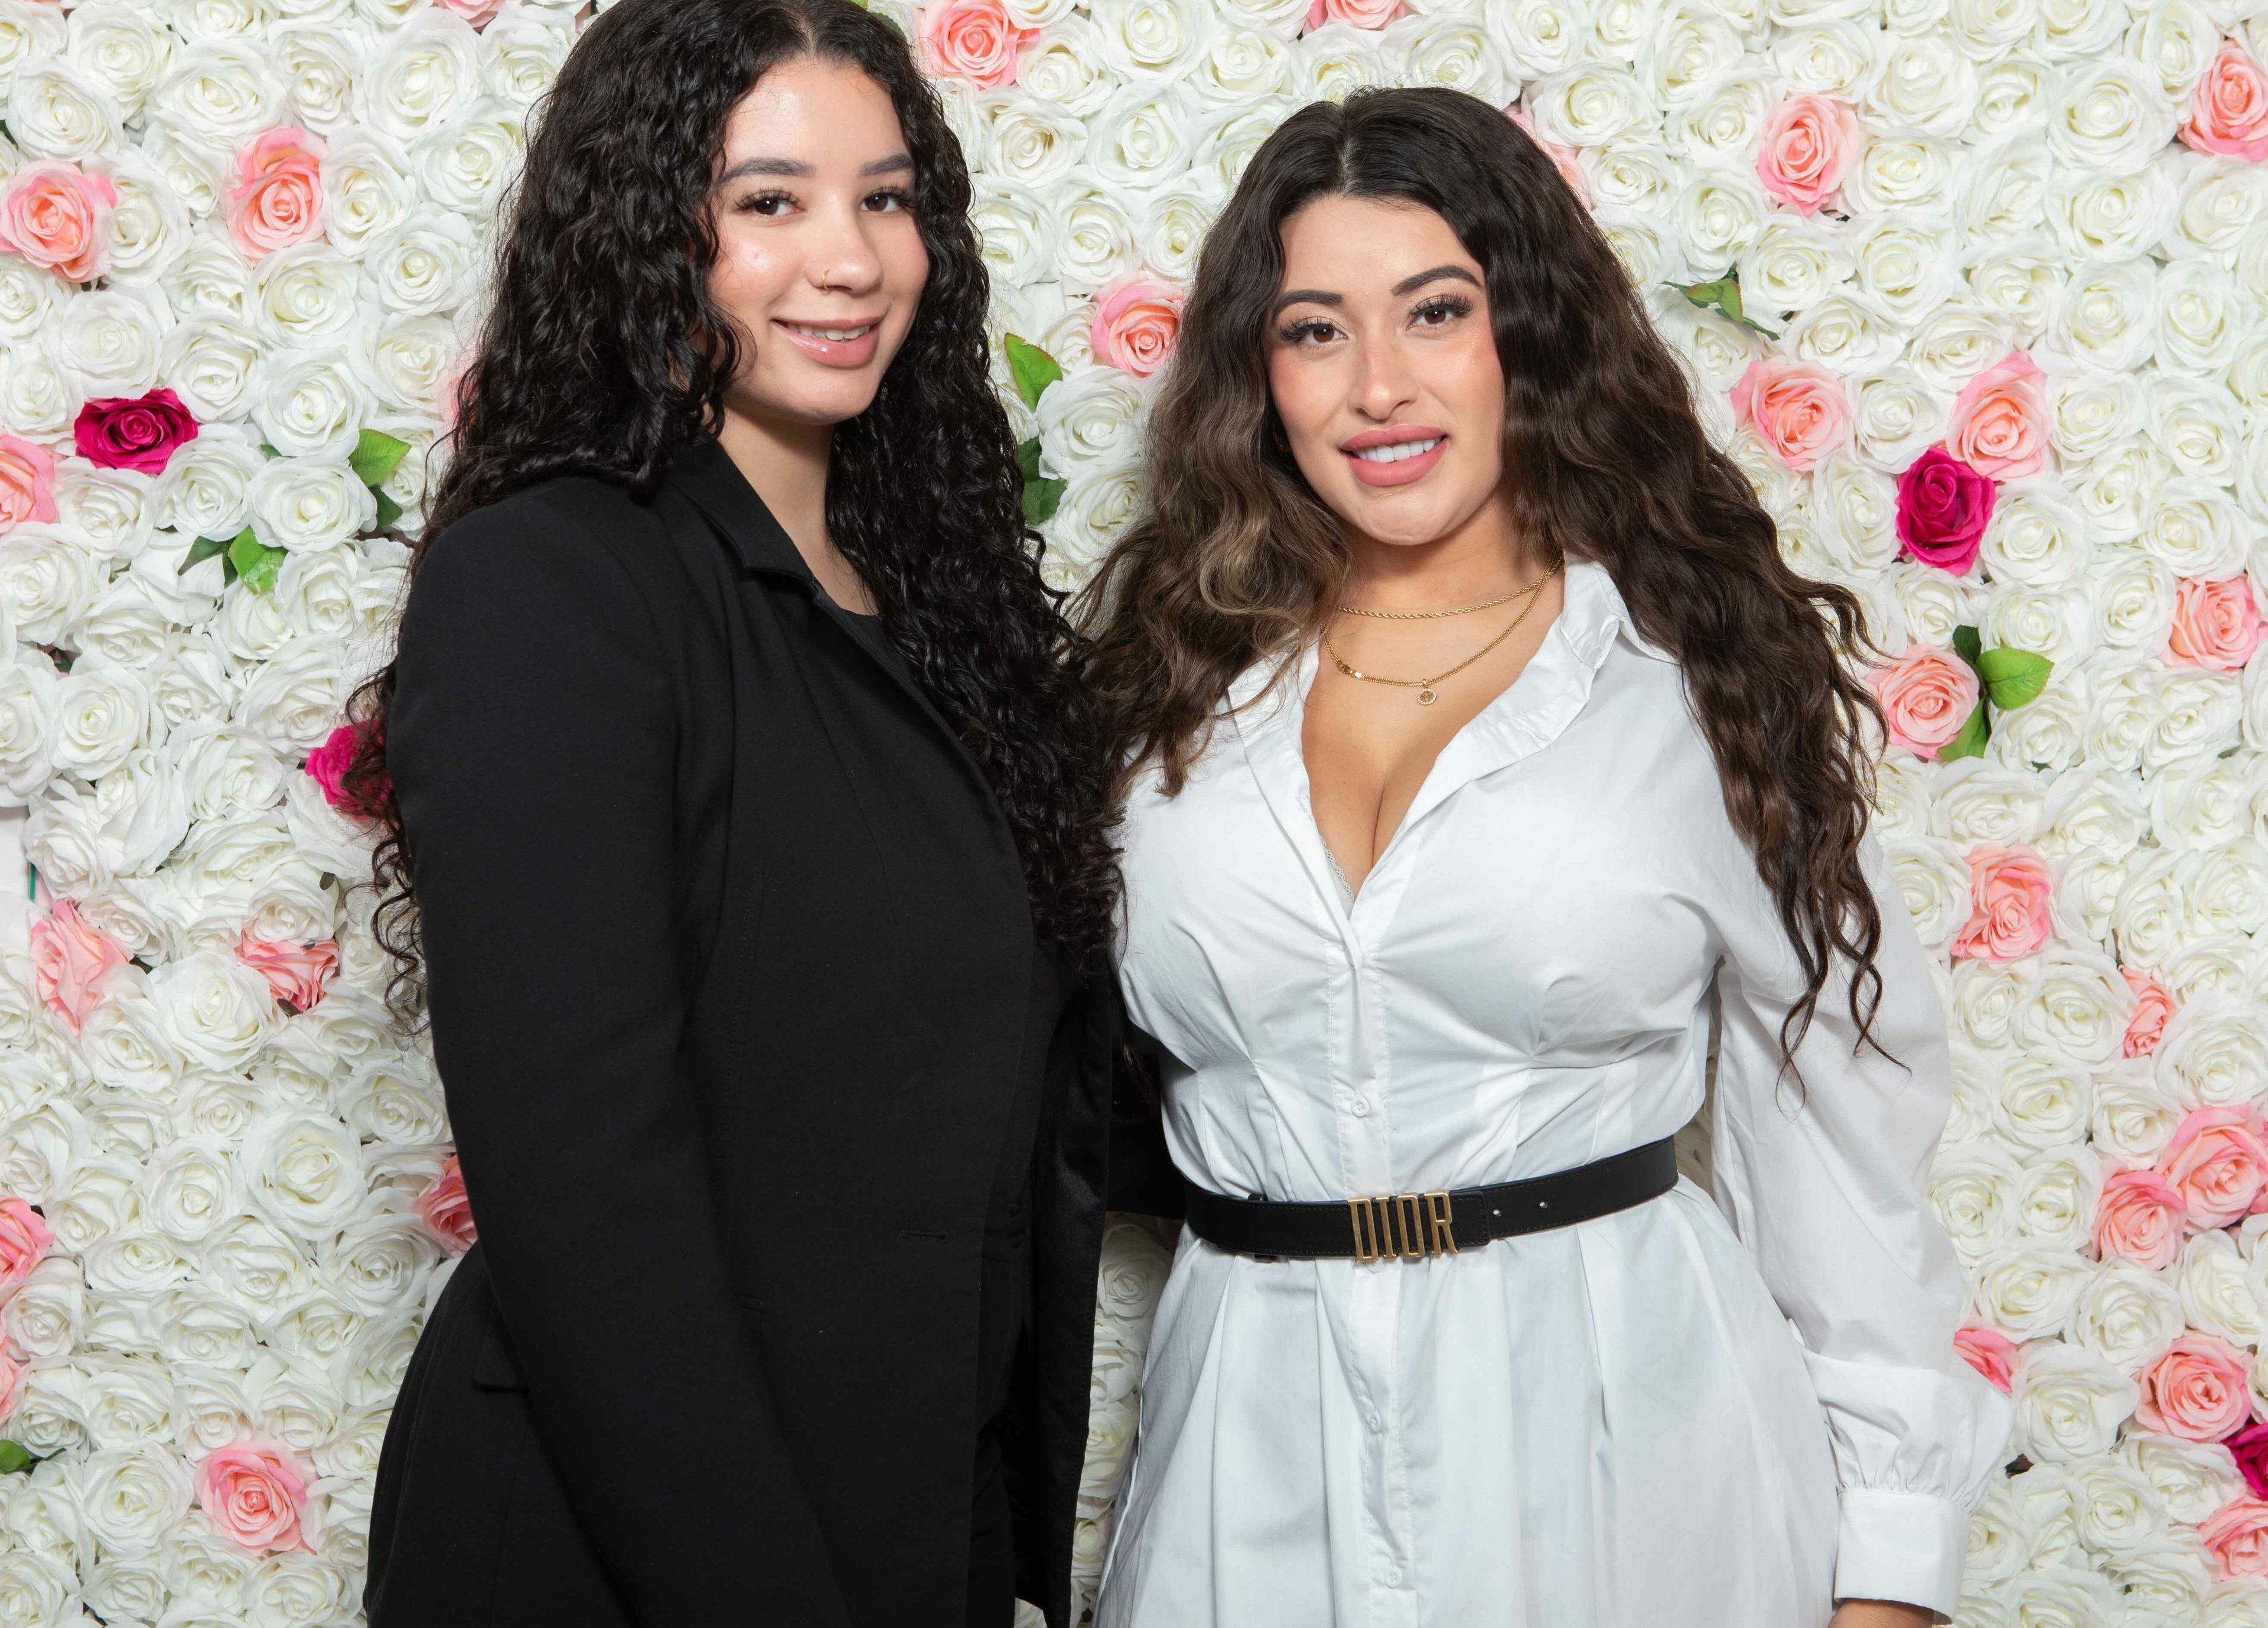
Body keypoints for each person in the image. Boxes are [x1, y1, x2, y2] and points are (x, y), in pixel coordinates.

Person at [1078, 87, 2013, 1628]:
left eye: (1436, 311)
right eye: (1315, 330)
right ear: (1259, 374)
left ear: (1531, 331)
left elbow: (1839, 1137)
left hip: (1628, 1445)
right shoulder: (1163, 707)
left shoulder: (1689, 686)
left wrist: (1892, 1579)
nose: (1379, 384)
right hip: (1247, 1440)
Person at [348, 2, 1123, 1623]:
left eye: (886, 198)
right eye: (769, 201)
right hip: (641, 1542)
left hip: (912, 1505)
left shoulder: (936, 609)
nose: (850, 260)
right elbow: (584, 1189)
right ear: (643, 229)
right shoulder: (551, 583)